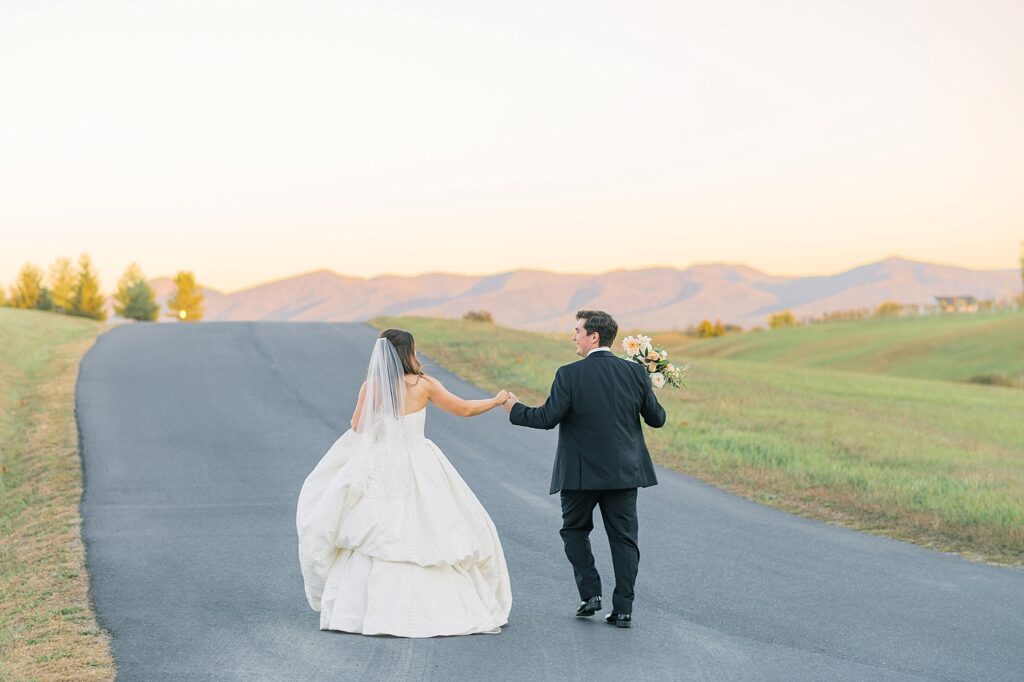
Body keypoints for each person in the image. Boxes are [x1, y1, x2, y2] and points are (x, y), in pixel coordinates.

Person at [296, 328, 512, 637]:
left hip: (382, 463)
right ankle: (442, 610)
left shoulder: (372, 386)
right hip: (420, 460)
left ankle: (365, 613)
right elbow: (463, 408)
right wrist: (497, 399)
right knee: (434, 525)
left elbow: (357, 425)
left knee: (376, 529)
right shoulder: (424, 384)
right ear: (407, 352)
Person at [504, 310, 665, 628]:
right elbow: (657, 419)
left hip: (580, 475)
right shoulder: (635, 372)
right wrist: (646, 386)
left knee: (574, 531)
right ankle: (623, 610)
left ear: (594, 337)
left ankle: (590, 594)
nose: (573, 336)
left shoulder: (568, 374)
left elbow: (546, 418)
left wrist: (514, 408)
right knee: (624, 540)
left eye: (577, 331)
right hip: (623, 473)